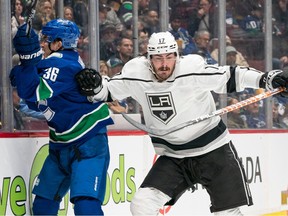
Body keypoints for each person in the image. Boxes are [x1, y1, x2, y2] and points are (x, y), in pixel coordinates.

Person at [75, 31, 288, 215]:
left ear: (177, 56)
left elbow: (231, 76)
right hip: (173, 156)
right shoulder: (135, 73)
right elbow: (108, 90)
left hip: (213, 151)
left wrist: (267, 79)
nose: (165, 64)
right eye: (158, 58)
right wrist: (94, 86)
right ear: (148, 58)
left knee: (228, 213)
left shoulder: (192, 68)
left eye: (169, 57)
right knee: (142, 204)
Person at [10, 19, 113, 215]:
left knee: (85, 204)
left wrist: (28, 57)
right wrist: (26, 63)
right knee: (43, 205)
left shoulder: (63, 64)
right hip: (60, 143)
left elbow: (32, 91)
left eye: (45, 38)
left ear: (58, 44)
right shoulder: (55, 62)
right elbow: (19, 81)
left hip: (88, 142)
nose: (41, 42)